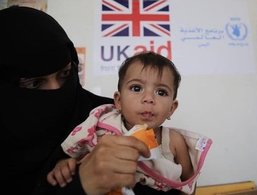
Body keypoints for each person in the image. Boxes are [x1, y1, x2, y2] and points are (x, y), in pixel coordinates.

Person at [0, 6, 151, 195]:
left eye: (65, 74)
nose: (57, 90)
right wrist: (80, 185)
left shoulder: (108, 116)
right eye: (35, 83)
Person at [47, 51, 213, 195]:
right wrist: (65, 166)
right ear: (118, 101)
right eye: (136, 88)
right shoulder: (102, 125)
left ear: (171, 108)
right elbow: (79, 155)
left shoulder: (175, 141)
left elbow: (188, 183)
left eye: (161, 92)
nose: (149, 98)